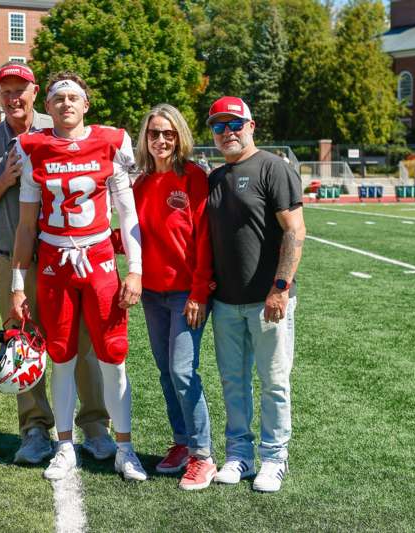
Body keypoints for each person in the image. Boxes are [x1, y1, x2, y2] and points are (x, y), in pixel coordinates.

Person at [0, 62, 114, 465]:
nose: (15, 98)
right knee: (21, 343)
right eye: (6, 91)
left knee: (82, 342)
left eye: (22, 90)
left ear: (35, 94)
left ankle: (95, 425)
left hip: (65, 256)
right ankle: (34, 428)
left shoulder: (58, 123)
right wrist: (4, 180)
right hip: (11, 260)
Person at [10, 72, 146, 482]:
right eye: (58, 99)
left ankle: (124, 447)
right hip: (53, 261)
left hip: (100, 257)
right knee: (62, 356)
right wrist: (19, 282)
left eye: (74, 97)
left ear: (86, 104)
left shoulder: (111, 141)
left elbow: (128, 212)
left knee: (113, 354)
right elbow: (26, 224)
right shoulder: (32, 146)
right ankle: (65, 445)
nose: (66, 104)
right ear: (46, 107)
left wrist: (135, 269)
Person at [205, 96, 306, 493]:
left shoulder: (273, 168)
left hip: (269, 300)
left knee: (274, 382)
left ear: (251, 126)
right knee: (233, 382)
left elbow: (295, 231)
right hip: (226, 302)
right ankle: (239, 455)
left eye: (234, 124)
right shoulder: (214, 178)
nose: (227, 131)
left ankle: (274, 458)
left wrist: (280, 288)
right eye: (218, 126)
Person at [130, 104, 216, 490]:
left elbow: (204, 240)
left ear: (179, 136)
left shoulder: (194, 177)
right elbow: (137, 237)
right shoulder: (141, 183)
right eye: (154, 134)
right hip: (152, 293)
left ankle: (203, 455)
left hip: (187, 294)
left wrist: (199, 293)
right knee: (166, 372)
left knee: (183, 371)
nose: (161, 140)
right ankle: (181, 442)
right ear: (145, 139)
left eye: (168, 133)